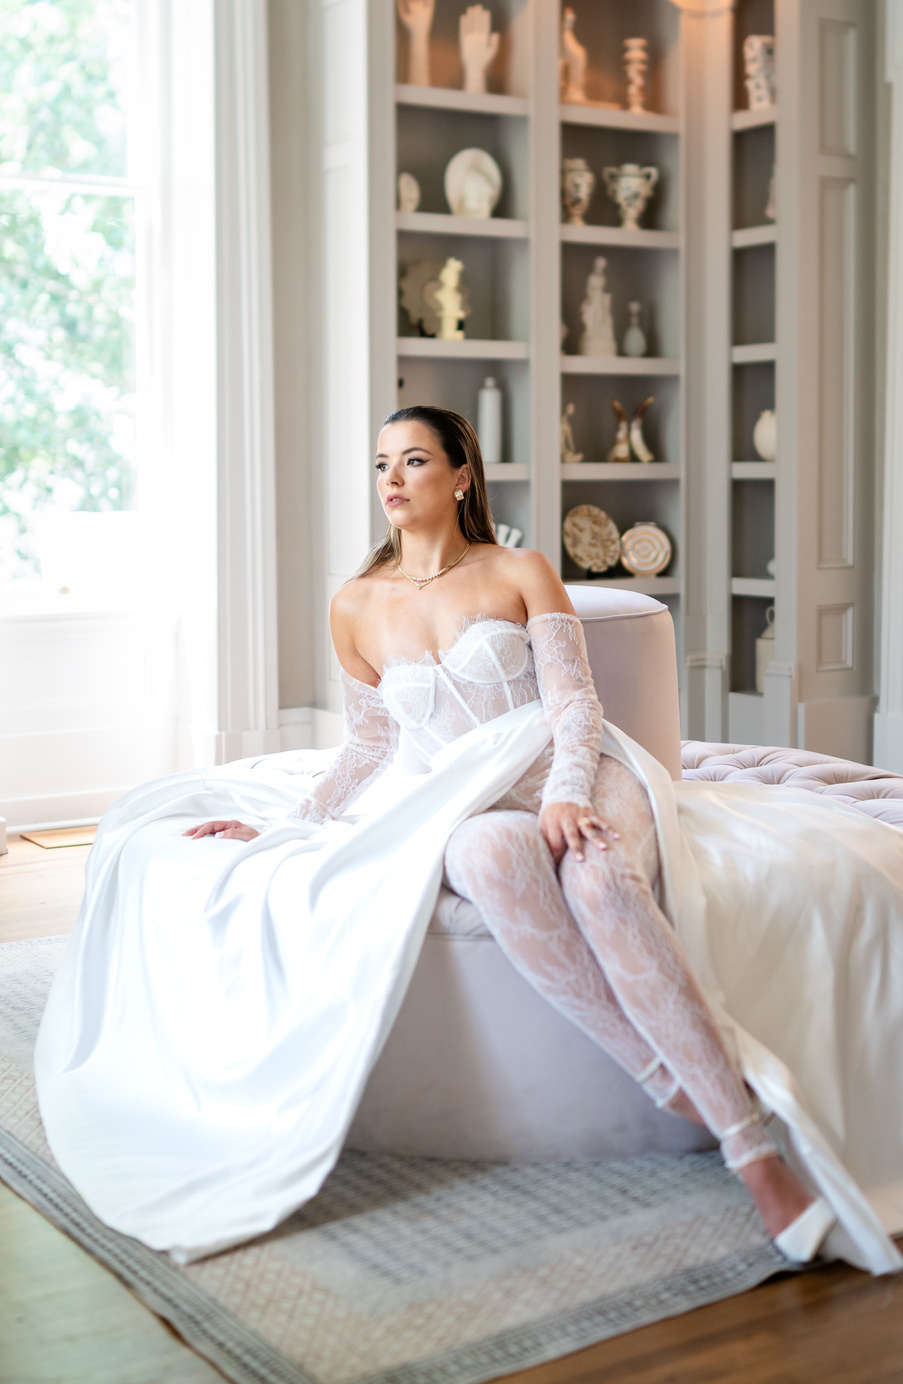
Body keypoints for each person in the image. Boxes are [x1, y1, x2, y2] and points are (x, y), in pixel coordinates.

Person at [35, 407, 903, 1272]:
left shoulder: (518, 571)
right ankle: (670, 1078)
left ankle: (750, 1151)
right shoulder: (354, 605)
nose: (392, 479)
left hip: (575, 765)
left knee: (598, 882)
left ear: (461, 476)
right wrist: (283, 825)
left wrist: (566, 795)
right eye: (382, 463)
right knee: (481, 854)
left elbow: (574, 705)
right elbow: (372, 746)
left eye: (414, 461)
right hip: (469, 795)